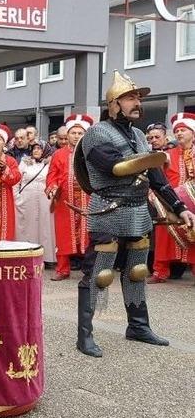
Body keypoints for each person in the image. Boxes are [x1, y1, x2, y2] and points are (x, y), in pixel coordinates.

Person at [75, 71, 195, 358]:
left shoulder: (140, 136)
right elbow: (114, 166)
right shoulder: (96, 134)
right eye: (130, 97)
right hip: (108, 210)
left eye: (139, 97)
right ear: (114, 103)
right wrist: (152, 159)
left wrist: (179, 208)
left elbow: (156, 176)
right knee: (99, 274)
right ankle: (84, 335)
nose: (137, 102)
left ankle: (138, 326)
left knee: (137, 271)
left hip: (138, 210)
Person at [46, 114, 93, 280]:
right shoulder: (58, 154)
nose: (76, 136)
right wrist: (52, 188)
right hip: (65, 201)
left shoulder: (92, 153)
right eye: (73, 133)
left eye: (80, 133)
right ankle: (62, 269)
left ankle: (90, 270)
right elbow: (52, 176)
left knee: (89, 236)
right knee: (63, 235)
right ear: (68, 134)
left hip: (89, 200)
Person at [150, 112, 195, 283]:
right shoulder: (167, 154)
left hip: (193, 202)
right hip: (170, 202)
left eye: (183, 130)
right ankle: (160, 272)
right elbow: (157, 176)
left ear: (193, 132)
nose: (179, 133)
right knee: (163, 235)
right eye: (177, 131)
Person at [15, 142, 55, 265]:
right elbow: (17, 180)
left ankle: (46, 257)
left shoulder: (50, 163)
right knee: (27, 226)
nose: (36, 151)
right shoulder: (25, 162)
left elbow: (54, 179)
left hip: (44, 198)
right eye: (34, 148)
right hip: (26, 198)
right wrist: (16, 197)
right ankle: (26, 254)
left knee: (45, 227)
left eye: (39, 148)